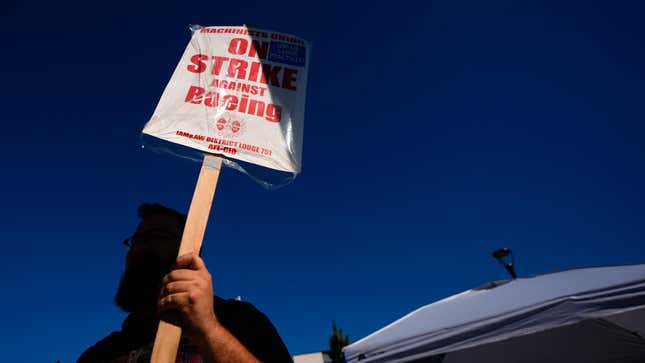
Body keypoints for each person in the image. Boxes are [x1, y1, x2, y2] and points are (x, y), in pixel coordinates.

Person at [78, 203, 293, 363]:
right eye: (135, 241)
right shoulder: (101, 354)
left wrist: (207, 329)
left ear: (191, 249)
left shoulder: (241, 321)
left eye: (154, 237)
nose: (138, 248)